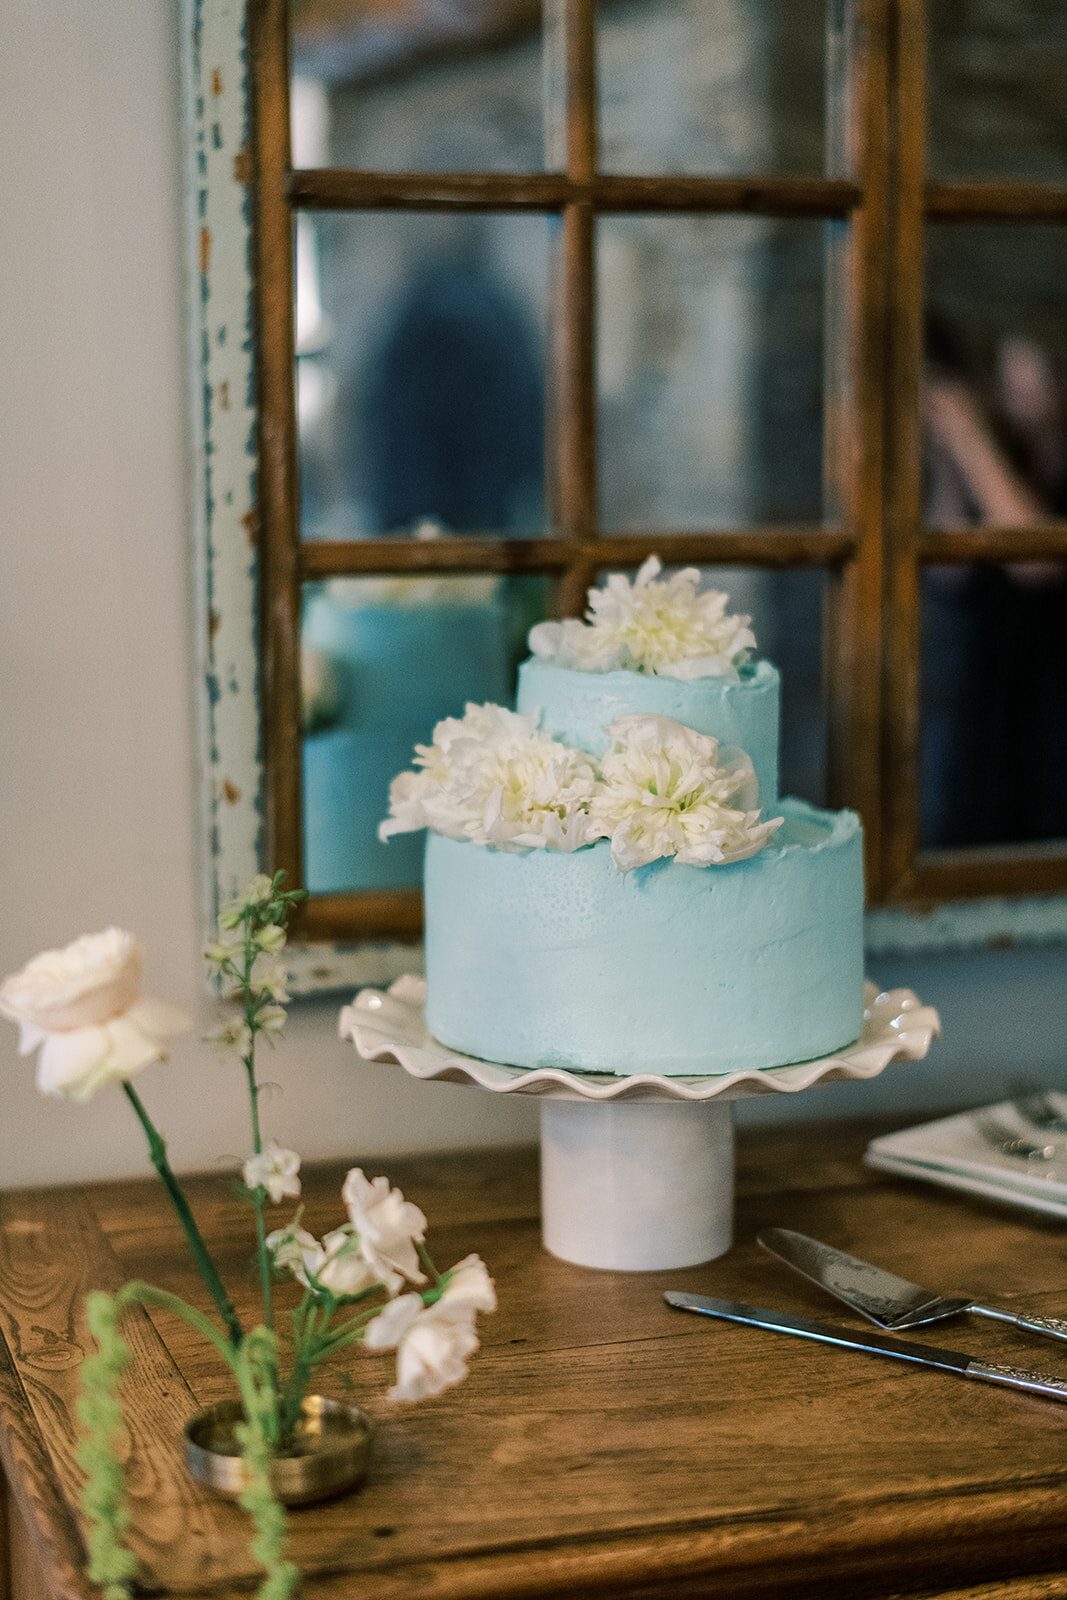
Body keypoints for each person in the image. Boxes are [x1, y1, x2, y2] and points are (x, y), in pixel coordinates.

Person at [921, 317, 1067, 846]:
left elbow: (1036, 561)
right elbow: (949, 572)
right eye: (1009, 382)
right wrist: (952, 460)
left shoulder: (1013, 468)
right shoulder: (1008, 463)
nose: (1019, 397)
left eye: (1035, 379)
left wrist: (970, 437)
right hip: (991, 697)